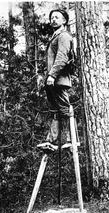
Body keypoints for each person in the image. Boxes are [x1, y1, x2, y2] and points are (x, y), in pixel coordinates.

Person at [38, 9, 73, 152]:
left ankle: (70, 140)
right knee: (55, 111)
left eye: (56, 17)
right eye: (51, 17)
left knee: (65, 110)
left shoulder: (64, 36)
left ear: (64, 21)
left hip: (59, 80)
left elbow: (62, 58)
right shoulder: (55, 36)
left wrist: (52, 75)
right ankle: (52, 140)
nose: (53, 20)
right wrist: (46, 78)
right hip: (52, 81)